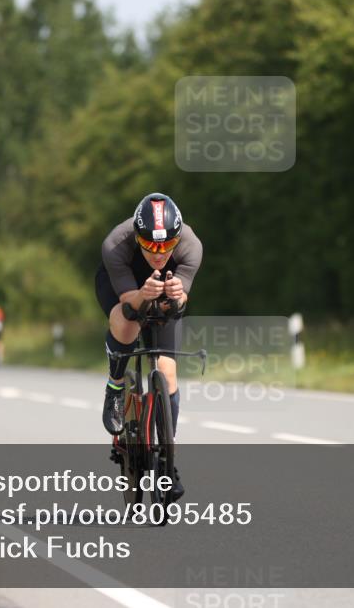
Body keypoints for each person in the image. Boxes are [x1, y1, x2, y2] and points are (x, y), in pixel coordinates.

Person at [96, 193, 203, 500]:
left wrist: (175, 295)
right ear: (138, 238)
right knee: (127, 322)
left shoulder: (191, 247)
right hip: (125, 287)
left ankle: (168, 462)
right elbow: (131, 306)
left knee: (167, 372)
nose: (159, 254)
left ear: (178, 238)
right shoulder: (116, 243)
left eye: (167, 246)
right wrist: (143, 294)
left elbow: (179, 306)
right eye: (151, 246)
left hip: (165, 293)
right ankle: (115, 386)